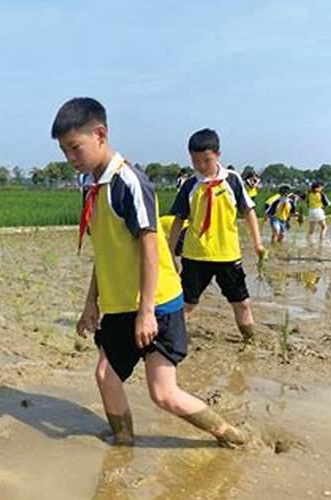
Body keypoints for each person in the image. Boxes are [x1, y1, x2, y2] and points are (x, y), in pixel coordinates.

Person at [52, 97, 247, 448]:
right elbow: (106, 250)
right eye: (65, 151)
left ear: (100, 134)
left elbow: (151, 245)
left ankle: (230, 435)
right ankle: (123, 442)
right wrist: (90, 303)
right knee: (104, 375)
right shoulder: (91, 186)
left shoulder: (129, 181)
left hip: (155, 304)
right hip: (119, 304)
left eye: (74, 148)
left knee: (163, 394)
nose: (70, 158)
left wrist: (146, 312)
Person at [169, 128, 265, 343]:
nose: (201, 166)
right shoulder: (189, 186)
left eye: (207, 160)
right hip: (196, 255)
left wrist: (258, 243)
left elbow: (248, 211)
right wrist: (169, 253)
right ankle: (172, 339)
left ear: (218, 155)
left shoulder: (232, 180)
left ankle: (250, 341)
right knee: (186, 304)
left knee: (242, 303)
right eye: (196, 161)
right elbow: (178, 220)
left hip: (228, 255)